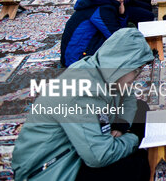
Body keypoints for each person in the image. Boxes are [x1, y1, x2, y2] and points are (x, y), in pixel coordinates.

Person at [13, 28, 153, 181]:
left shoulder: (103, 69)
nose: (137, 76)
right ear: (122, 65)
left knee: (141, 109)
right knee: (134, 166)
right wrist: (134, 139)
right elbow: (99, 157)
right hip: (51, 169)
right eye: (136, 70)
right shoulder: (80, 92)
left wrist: (121, 126)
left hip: (76, 147)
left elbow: (129, 99)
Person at [60, 0, 128, 67]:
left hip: (72, 56)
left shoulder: (98, 2)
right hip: (76, 61)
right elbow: (117, 37)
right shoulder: (102, 9)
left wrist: (121, 14)